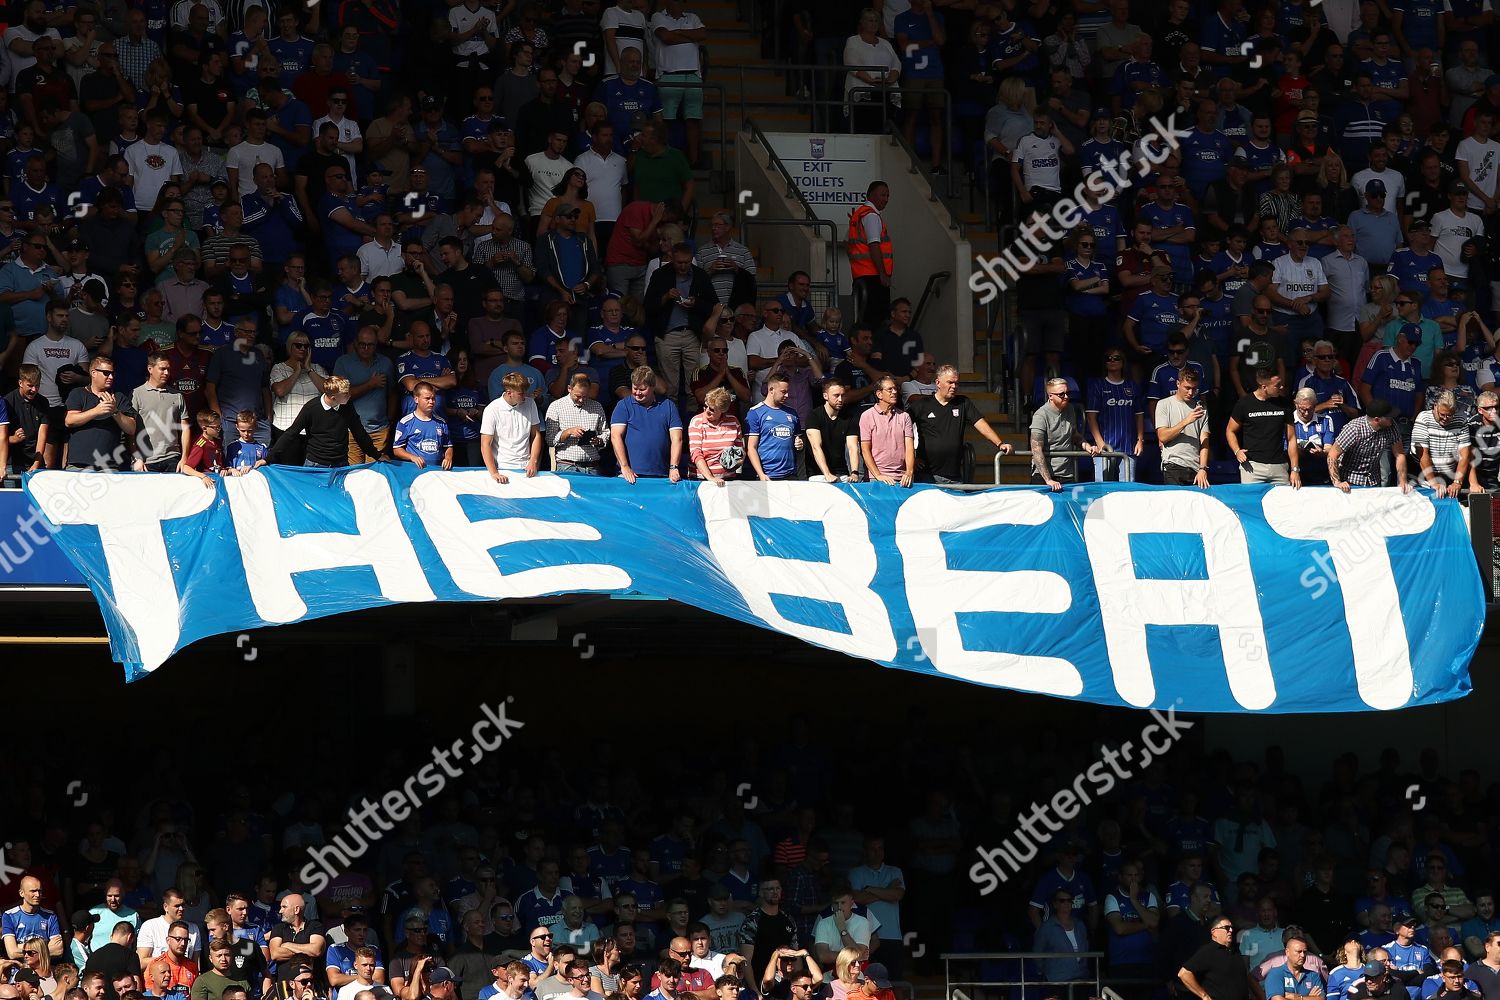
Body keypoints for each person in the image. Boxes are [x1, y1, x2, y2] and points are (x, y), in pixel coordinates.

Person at [906, 365, 1013, 484]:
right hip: (927, 475)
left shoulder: (963, 402)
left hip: (954, 476)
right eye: (950, 382)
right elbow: (900, 428)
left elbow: (981, 424)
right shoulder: (922, 405)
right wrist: (910, 459)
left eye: (956, 383)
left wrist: (1000, 443)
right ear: (938, 383)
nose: (954, 386)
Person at [266, 375, 386, 468]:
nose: (350, 395)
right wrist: (268, 459)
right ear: (334, 398)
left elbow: (359, 432)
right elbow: (291, 433)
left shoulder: (347, 405)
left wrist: (377, 455)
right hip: (315, 464)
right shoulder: (312, 408)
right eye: (345, 394)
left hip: (341, 463)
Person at [611, 366, 684, 483]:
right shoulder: (623, 405)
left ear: (653, 387)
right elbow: (615, 436)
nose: (637, 393)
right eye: (635, 388)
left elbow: (677, 439)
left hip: (661, 474)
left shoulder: (668, 406)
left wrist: (673, 467)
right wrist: (624, 467)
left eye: (642, 389)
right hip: (630, 476)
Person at [1326, 398, 1412, 491]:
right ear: (1377, 419)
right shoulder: (1354, 429)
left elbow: (1399, 455)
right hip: (1350, 482)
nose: (1392, 419)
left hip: (1373, 481)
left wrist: (1402, 481)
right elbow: (1332, 455)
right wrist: (1337, 482)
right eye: (1388, 417)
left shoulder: (1391, 426)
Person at [1227, 368, 1296, 484]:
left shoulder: (1285, 404)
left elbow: (1292, 438)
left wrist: (1295, 469)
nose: (1281, 387)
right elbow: (1230, 430)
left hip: (1279, 466)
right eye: (1277, 385)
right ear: (1264, 387)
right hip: (1252, 467)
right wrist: (1237, 451)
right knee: (1250, 501)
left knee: (1283, 502)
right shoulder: (1244, 404)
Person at [1029, 377, 1097, 490]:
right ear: (1050, 396)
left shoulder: (1070, 409)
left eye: (1067, 393)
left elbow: (1075, 436)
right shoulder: (1040, 415)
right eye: (1061, 394)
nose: (1066, 397)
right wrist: (1048, 480)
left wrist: (1087, 446)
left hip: (1067, 475)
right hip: (1043, 477)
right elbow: (1036, 449)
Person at [480, 372, 542, 483]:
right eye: (521, 394)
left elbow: (536, 435)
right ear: (509, 393)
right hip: (502, 468)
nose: (525, 396)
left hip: (526, 468)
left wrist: (533, 461)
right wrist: (494, 473)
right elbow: (485, 444)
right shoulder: (492, 409)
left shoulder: (530, 403)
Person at [847, 182, 892, 333]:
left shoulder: (859, 215)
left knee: (865, 321)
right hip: (873, 278)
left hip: (861, 275)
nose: (886, 199)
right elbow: (874, 245)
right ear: (871, 195)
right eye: (883, 194)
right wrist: (882, 273)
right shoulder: (871, 216)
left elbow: (847, 243)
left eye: (887, 195)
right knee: (877, 323)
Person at [545, 371, 610, 474]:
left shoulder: (597, 406)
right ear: (569, 389)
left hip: (592, 465)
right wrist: (568, 432)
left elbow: (605, 432)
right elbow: (550, 439)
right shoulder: (556, 406)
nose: (581, 400)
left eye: (585, 396)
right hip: (567, 465)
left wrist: (599, 440)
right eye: (578, 396)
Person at [1156, 368, 1211, 488]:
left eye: (1194, 388)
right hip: (1173, 465)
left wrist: (1203, 468)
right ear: (1178, 384)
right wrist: (1186, 421)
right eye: (1187, 388)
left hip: (1196, 469)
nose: (1191, 392)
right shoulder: (1164, 404)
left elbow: (1205, 442)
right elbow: (1163, 436)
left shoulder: (1201, 409)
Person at [1412, 391, 1472, 497]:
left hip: (1450, 475)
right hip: (1423, 475)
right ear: (1435, 407)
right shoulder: (1423, 418)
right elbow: (1423, 454)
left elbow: (1465, 454)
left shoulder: (1461, 419)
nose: (1445, 418)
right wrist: (1433, 482)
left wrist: (1457, 482)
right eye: (1442, 414)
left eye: (1450, 415)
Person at [1179, 917, 1255, 1000]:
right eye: (1226, 928)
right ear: (1214, 932)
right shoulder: (1207, 951)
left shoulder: (1235, 950)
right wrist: (1204, 996)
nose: (1231, 930)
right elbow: (1184, 973)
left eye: (1231, 928)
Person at [745, 372, 801, 482]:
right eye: (783, 392)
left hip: (790, 475)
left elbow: (797, 440)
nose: (787, 395)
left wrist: (799, 443)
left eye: (787, 392)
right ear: (771, 390)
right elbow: (751, 447)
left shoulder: (792, 413)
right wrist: (760, 474)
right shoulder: (755, 413)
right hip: (768, 474)